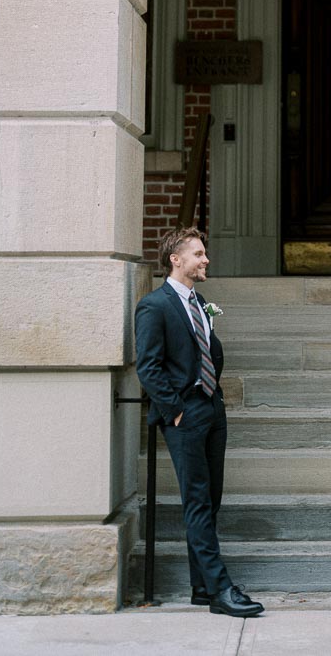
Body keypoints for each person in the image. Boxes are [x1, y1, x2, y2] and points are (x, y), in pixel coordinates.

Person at [135, 227, 264, 618]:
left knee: (210, 500)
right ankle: (222, 589)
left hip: (211, 409)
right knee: (196, 501)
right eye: (199, 254)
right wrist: (174, 409)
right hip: (185, 414)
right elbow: (148, 365)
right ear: (176, 259)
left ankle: (201, 587)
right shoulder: (154, 306)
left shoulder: (199, 300)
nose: (205, 260)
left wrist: (214, 400)